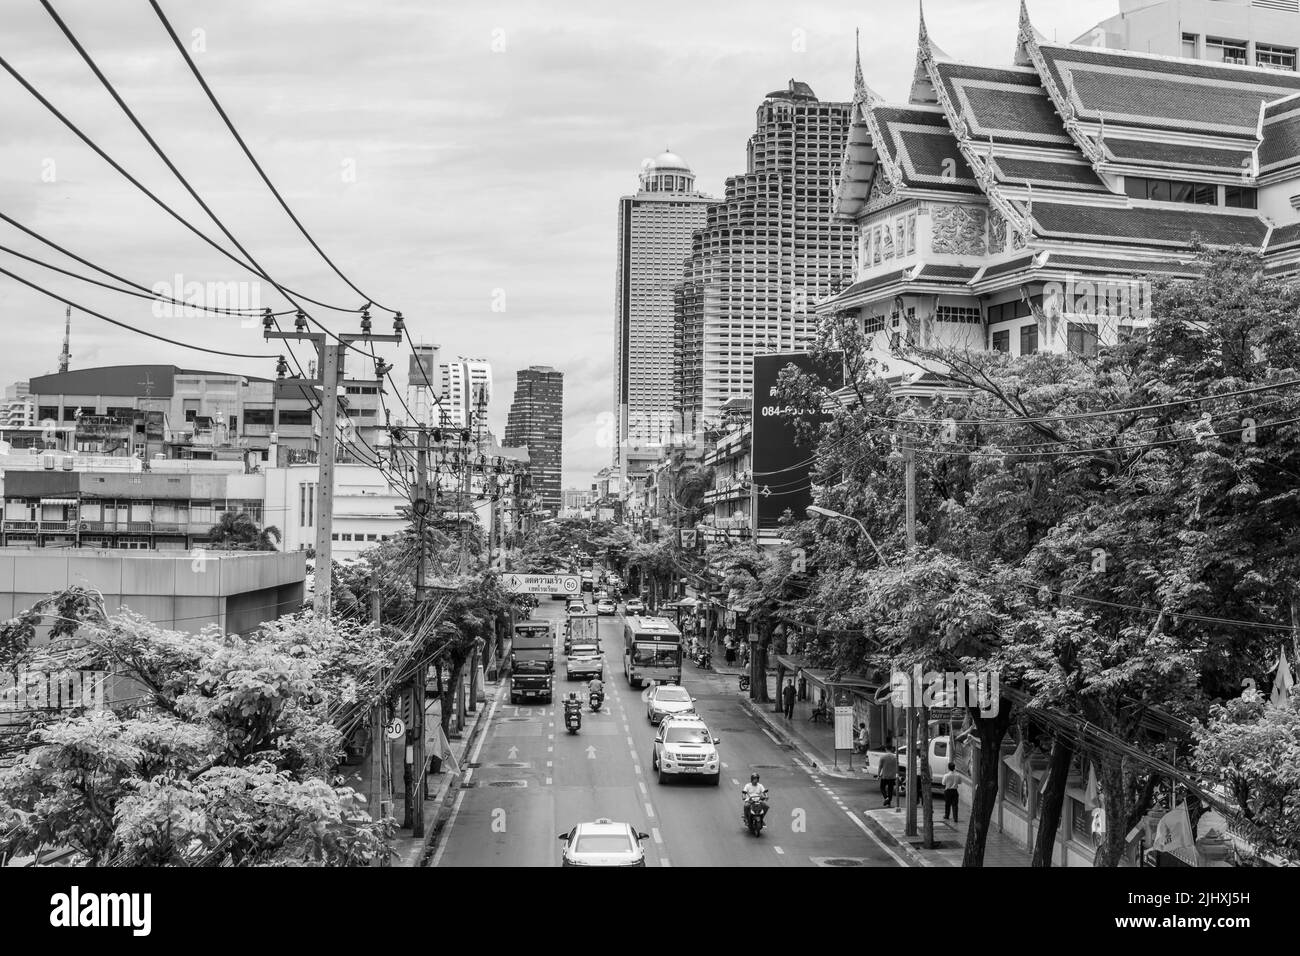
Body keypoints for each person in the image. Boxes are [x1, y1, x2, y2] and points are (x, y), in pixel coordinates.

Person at [877, 738, 898, 807]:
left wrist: (878, 775)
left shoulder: (883, 757)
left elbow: (880, 767)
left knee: (882, 787)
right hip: (892, 776)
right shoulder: (895, 757)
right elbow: (897, 766)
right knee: (890, 789)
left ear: (886, 749)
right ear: (891, 749)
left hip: (885, 776)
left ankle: (886, 798)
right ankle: (889, 803)